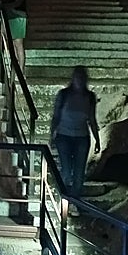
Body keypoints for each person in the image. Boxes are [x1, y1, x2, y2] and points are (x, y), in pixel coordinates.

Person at [49, 65, 101, 200]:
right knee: (66, 171)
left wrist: (97, 139)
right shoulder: (64, 94)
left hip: (81, 138)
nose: (79, 81)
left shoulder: (89, 97)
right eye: (77, 77)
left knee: (79, 173)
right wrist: (52, 135)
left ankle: (75, 201)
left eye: (82, 78)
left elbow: (92, 119)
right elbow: (56, 116)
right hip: (64, 136)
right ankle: (63, 197)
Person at [0, 0, 29, 72]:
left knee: (18, 43)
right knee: (11, 44)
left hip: (18, 16)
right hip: (10, 16)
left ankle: (21, 70)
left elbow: (18, 2)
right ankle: (14, 68)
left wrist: (6, 6)